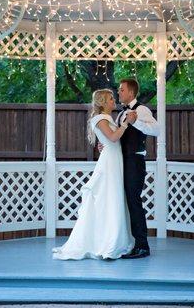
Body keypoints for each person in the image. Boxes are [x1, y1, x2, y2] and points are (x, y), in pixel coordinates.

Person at [52, 89, 135, 260]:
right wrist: (126, 123)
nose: (114, 101)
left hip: (114, 159)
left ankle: (114, 237)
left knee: (113, 197)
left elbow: (108, 141)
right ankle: (107, 241)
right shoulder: (100, 118)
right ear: (104, 102)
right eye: (111, 99)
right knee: (109, 197)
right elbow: (112, 138)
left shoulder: (107, 118)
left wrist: (105, 142)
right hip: (109, 163)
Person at [115, 78, 159, 259]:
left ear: (131, 93)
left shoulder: (141, 109)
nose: (119, 92)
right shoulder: (120, 114)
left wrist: (136, 123)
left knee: (134, 201)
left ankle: (142, 246)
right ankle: (129, 242)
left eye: (121, 90)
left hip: (135, 161)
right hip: (121, 161)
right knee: (125, 202)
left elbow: (156, 130)